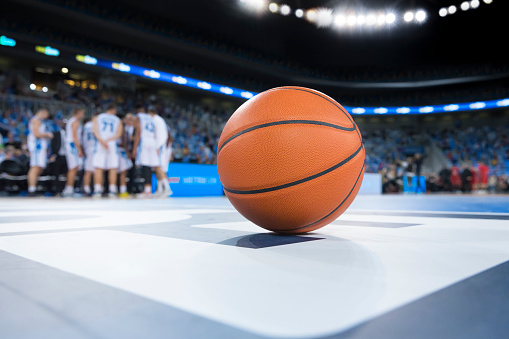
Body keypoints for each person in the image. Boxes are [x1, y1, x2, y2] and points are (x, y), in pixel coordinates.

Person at [92, 103, 123, 197]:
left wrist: (102, 140)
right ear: (114, 110)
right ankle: (112, 189)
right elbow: (119, 133)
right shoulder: (117, 119)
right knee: (112, 168)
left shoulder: (98, 117)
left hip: (100, 142)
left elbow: (95, 131)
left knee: (98, 167)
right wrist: (108, 140)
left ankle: (97, 189)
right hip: (112, 143)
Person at [132, 103, 158, 197]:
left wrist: (134, 148)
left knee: (145, 166)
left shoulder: (139, 117)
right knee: (151, 166)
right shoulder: (151, 118)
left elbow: (138, 132)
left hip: (144, 141)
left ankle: (147, 190)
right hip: (153, 141)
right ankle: (150, 189)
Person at [27, 108, 53, 196]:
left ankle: (33, 187)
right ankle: (32, 189)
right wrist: (47, 134)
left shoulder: (38, 120)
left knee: (39, 168)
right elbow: (36, 134)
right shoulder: (36, 120)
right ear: (43, 112)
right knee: (35, 167)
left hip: (40, 147)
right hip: (37, 147)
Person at [149, 105, 172, 197]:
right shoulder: (160, 121)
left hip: (161, 147)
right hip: (163, 147)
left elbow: (164, 136)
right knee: (157, 169)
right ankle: (160, 189)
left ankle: (167, 188)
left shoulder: (157, 120)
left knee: (159, 167)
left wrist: (159, 147)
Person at [62, 108, 85, 197]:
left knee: (74, 168)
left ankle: (70, 188)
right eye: (82, 113)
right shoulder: (75, 122)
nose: (83, 115)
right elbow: (75, 137)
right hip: (72, 146)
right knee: (73, 167)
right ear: (78, 112)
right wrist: (79, 149)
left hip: (71, 146)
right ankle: (69, 189)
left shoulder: (71, 121)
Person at [117, 115, 133, 198]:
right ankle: (123, 190)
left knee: (115, 172)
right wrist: (128, 152)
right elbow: (124, 142)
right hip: (121, 151)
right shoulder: (121, 128)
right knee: (123, 172)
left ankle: (114, 189)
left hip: (114, 151)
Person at [82, 116, 96, 196]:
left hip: (87, 149)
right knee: (97, 170)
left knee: (88, 170)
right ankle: (97, 189)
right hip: (96, 148)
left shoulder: (86, 125)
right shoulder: (96, 125)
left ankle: (86, 189)